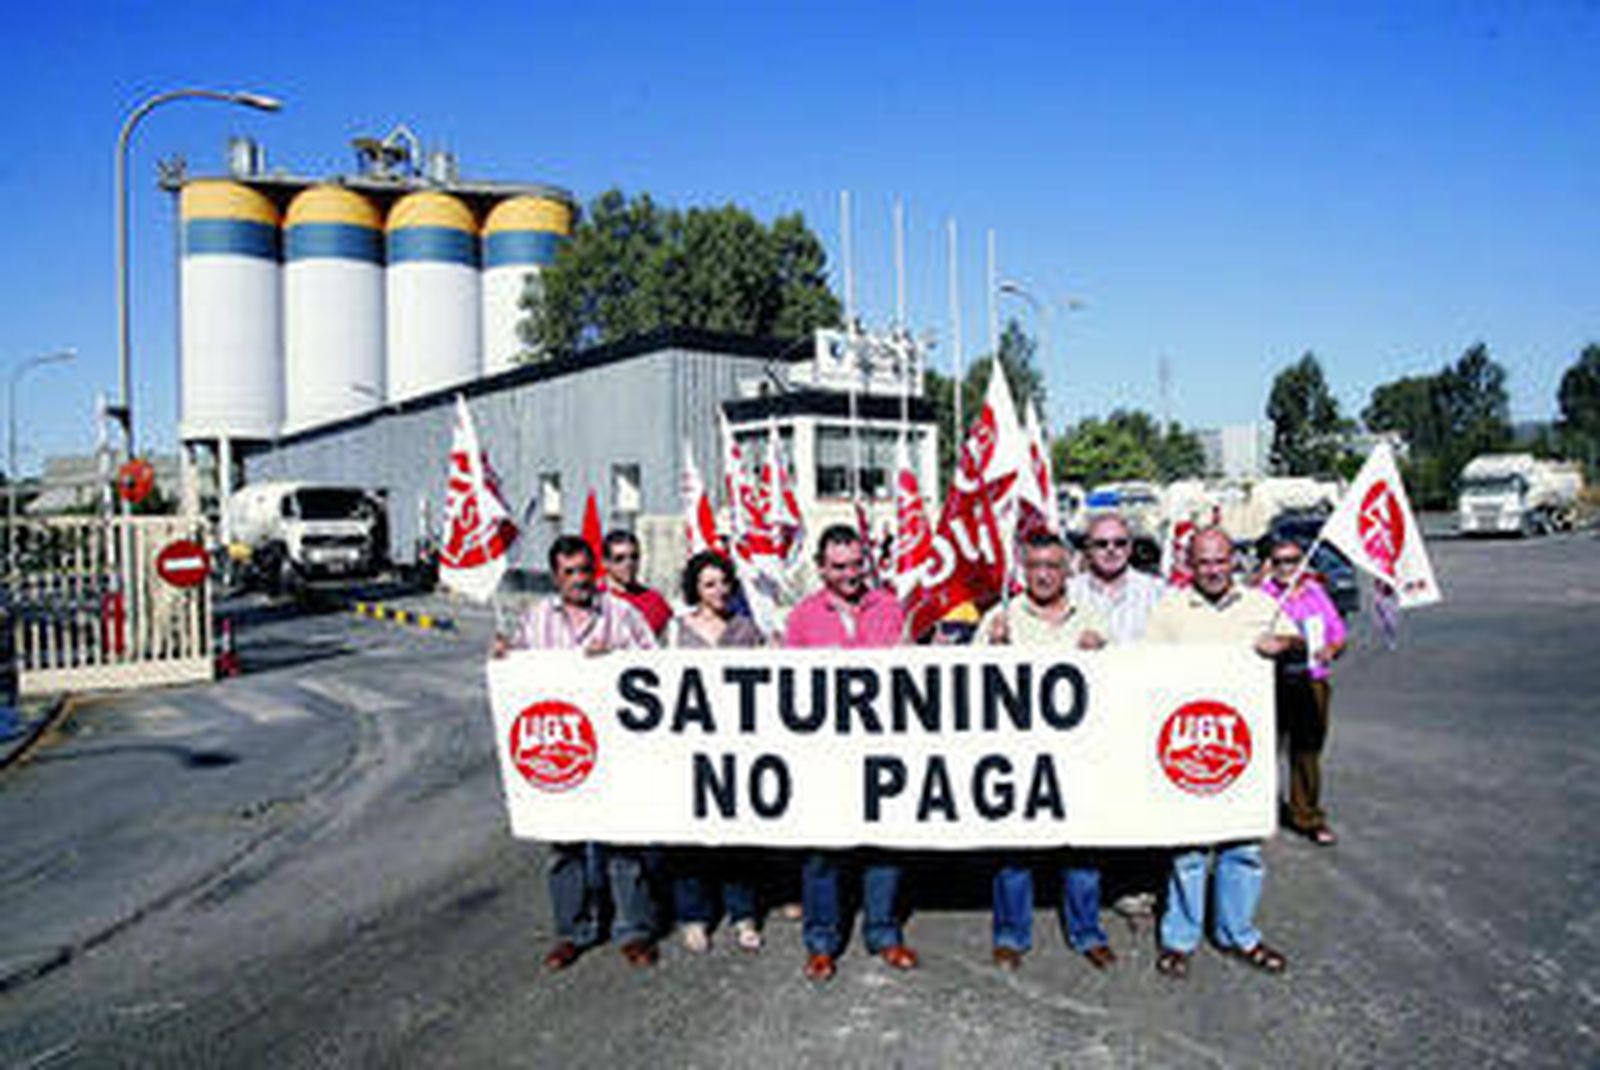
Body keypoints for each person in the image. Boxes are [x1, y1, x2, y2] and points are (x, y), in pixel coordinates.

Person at [492, 534, 661, 970]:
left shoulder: (621, 614)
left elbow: (657, 667)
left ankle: (634, 931)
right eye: (570, 573)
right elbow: (520, 677)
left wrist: (619, 657)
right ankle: (574, 931)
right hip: (565, 749)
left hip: (618, 748)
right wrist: (504, 659)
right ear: (556, 576)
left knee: (624, 844)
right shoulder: (535, 620)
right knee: (566, 846)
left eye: (586, 570)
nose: (580, 580)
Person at [1144, 526, 1301, 979]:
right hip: (1186, 740)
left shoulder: (1261, 605)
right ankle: (1179, 938)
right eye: (1203, 562)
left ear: (1235, 560)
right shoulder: (1170, 609)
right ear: (1189, 565)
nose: (1212, 570)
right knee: (1189, 848)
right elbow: (1145, 668)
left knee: (1243, 844)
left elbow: (1300, 642)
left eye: (1220, 560)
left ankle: (1239, 934)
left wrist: (1285, 643)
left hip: (1244, 745)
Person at [784, 524, 918, 982]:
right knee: (823, 853)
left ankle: (883, 933)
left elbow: (911, 670)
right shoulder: (802, 617)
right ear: (821, 568)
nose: (849, 574)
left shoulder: (890, 607)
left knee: (884, 847)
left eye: (857, 564)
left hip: (883, 748)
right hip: (825, 754)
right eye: (838, 566)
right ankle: (822, 943)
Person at [977, 531, 1113, 971]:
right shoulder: (1001, 618)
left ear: (1068, 569)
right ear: (1022, 569)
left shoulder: (1091, 617)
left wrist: (1102, 654)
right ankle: (1011, 935)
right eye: (1034, 566)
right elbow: (968, 689)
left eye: (1052, 566)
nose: (1043, 575)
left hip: (1079, 753)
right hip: (1017, 754)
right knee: (1016, 852)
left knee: (1081, 849)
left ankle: (1087, 932)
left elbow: (1121, 682)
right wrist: (990, 652)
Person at [1065, 513, 1168, 920]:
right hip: (1082, 722)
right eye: (1101, 544)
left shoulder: (1158, 593)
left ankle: (1135, 881)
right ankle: (1089, 884)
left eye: (1120, 543)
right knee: (1089, 806)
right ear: (1086, 550)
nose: (1111, 551)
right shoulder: (1067, 592)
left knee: (1137, 805)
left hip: (1140, 718)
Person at [668, 550, 766, 953]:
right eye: (710, 583)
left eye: (724, 581)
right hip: (690, 748)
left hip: (737, 749)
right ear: (695, 589)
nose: (719, 590)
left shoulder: (746, 629)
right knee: (691, 838)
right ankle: (695, 916)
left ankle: (743, 914)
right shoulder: (676, 631)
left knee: (736, 838)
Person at [1258, 536, 1348, 846]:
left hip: (1312, 680)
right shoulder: (1262, 595)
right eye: (1280, 561)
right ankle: (1261, 814)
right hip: (1273, 681)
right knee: (1265, 750)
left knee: (1307, 752)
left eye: (1293, 560)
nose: (1287, 568)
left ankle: (1307, 816)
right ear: (1270, 565)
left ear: (1303, 563)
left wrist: (1332, 649)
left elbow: (1338, 633)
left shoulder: (1316, 593)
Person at [602, 529, 673, 638]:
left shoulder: (655, 601)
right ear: (605, 563)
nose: (628, 563)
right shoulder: (595, 598)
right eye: (619, 559)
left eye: (634, 557)